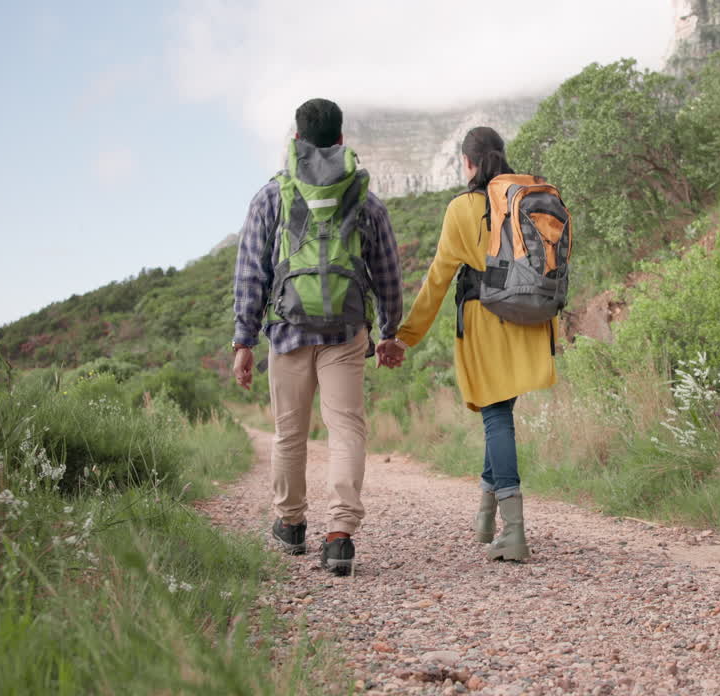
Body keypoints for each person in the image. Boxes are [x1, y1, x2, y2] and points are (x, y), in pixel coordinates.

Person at [232, 98, 403, 576]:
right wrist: (388, 333)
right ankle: (339, 535)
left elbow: (250, 273)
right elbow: (388, 273)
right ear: (342, 140)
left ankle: (290, 526)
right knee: (346, 428)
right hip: (346, 332)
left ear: (296, 140)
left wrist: (243, 340)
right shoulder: (364, 198)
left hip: (287, 331)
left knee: (290, 433)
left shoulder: (272, 196)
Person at [377, 127, 556, 562]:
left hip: (486, 323)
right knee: (501, 414)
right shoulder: (525, 200)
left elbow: (437, 280)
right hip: (530, 320)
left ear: (468, 163)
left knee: (496, 419)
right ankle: (485, 516)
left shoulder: (462, 209)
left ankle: (514, 533)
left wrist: (403, 337)